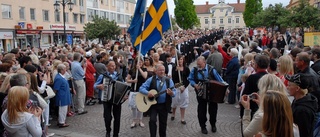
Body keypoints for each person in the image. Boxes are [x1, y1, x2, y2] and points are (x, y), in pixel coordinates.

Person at [139, 64, 176, 137]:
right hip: (153, 105)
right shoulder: (151, 79)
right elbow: (141, 88)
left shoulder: (168, 80)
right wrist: (148, 93)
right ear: (156, 71)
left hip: (164, 105)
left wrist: (171, 93)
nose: (162, 72)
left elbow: (174, 92)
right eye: (160, 70)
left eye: (163, 70)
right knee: (152, 121)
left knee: (163, 123)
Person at [188, 56, 222, 134]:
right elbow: (190, 78)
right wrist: (194, 84)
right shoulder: (195, 70)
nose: (198, 66)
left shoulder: (211, 69)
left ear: (204, 63)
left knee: (213, 109)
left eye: (200, 65)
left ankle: (213, 124)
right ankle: (203, 126)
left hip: (212, 93)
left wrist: (225, 88)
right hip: (200, 92)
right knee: (201, 110)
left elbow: (219, 79)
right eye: (197, 65)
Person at [94, 60, 126, 137]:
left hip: (117, 100)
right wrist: (99, 86)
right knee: (107, 117)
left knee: (117, 117)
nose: (113, 67)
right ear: (107, 67)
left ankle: (116, 134)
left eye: (114, 66)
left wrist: (124, 95)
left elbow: (124, 86)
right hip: (106, 99)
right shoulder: (103, 76)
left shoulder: (119, 76)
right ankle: (108, 130)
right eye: (111, 65)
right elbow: (95, 85)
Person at [126, 57, 147, 128]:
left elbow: (145, 76)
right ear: (135, 63)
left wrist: (139, 69)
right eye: (138, 62)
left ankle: (140, 120)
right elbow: (127, 80)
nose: (140, 63)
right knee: (134, 107)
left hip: (141, 90)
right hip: (134, 90)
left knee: (140, 107)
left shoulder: (144, 69)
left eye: (141, 62)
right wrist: (133, 81)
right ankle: (134, 121)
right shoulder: (132, 70)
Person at [171, 55, 190, 124]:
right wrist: (176, 70)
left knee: (183, 102)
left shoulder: (186, 69)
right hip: (176, 87)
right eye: (178, 59)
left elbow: (188, 79)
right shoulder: (174, 68)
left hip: (184, 88)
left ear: (183, 60)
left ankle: (182, 118)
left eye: (181, 59)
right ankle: (173, 113)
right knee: (175, 101)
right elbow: (173, 79)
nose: (180, 61)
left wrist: (184, 87)